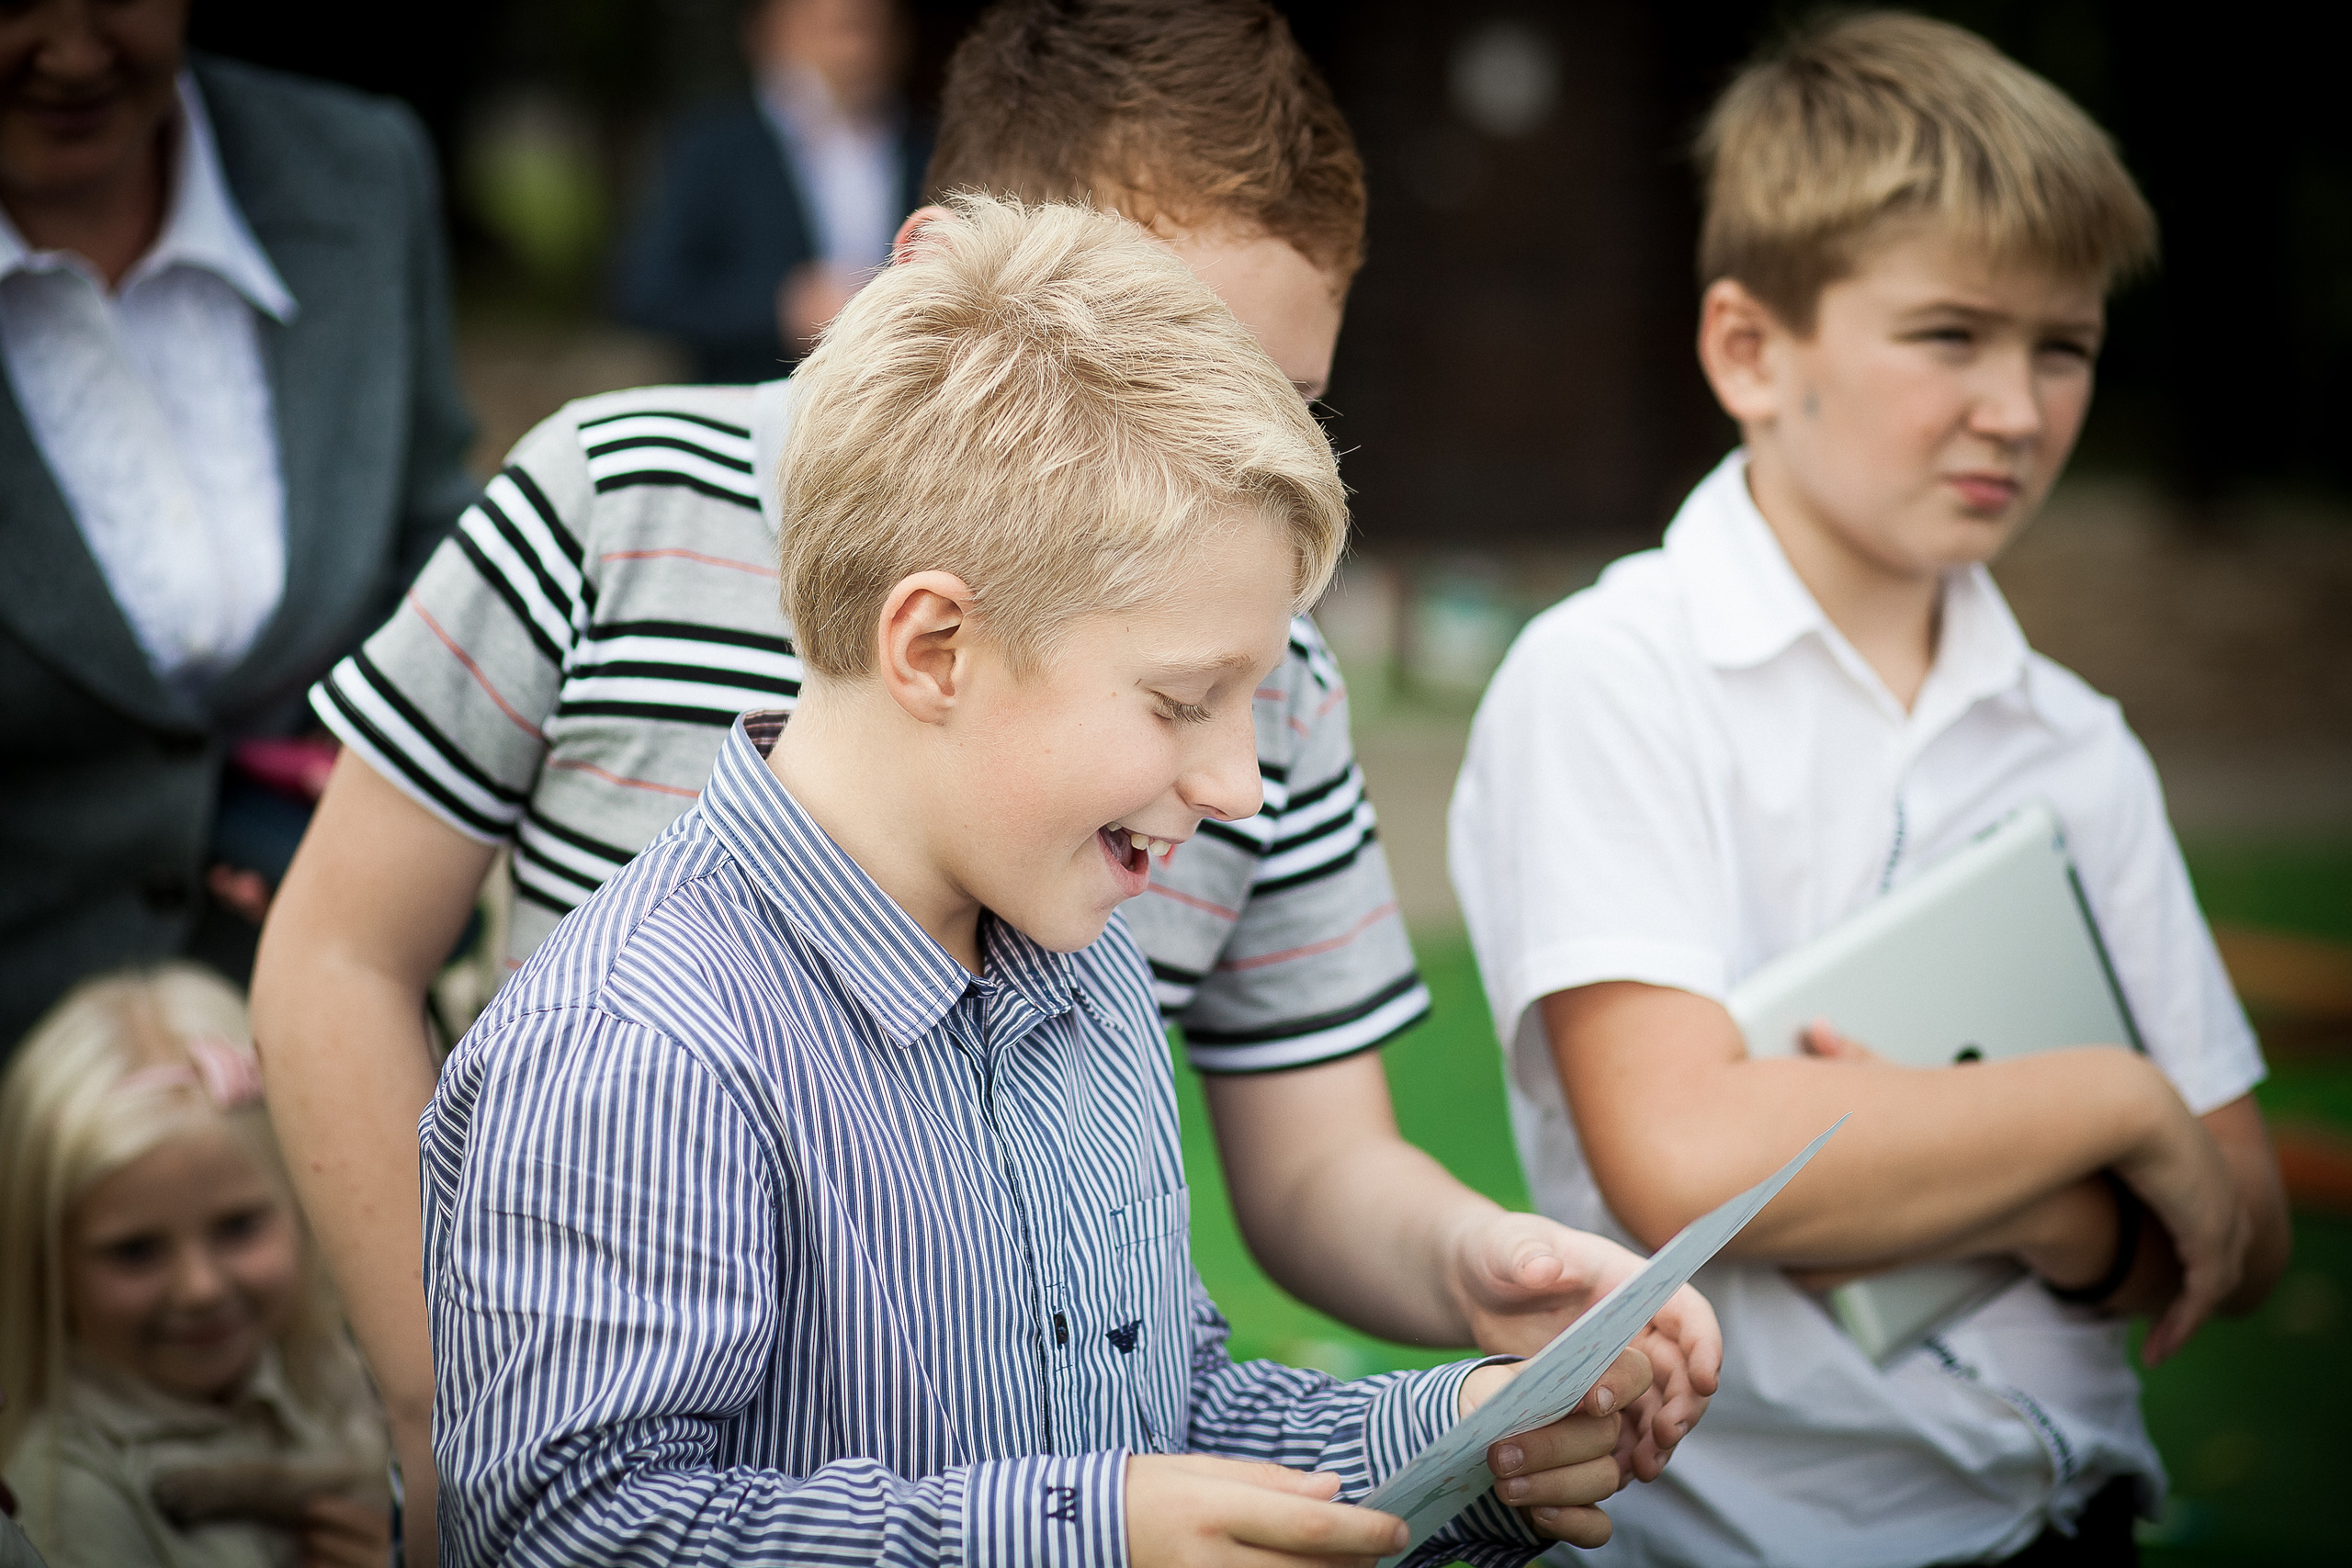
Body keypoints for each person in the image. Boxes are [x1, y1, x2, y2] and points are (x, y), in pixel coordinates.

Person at [254, 5, 1720, 1558]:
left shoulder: (1089, 959)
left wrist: (1467, 1435)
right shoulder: (643, 1032)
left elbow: (1151, 1404)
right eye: (1183, 701)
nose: (1242, 773)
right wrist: (445, 1405)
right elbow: (582, 1517)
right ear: (933, 645)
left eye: (1284, 398)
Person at [1448, 14, 2292, 1566]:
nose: (2017, 408)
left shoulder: (2077, 740)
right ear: (1750, 351)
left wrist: (2034, 1205)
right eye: (1951, 335)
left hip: (2072, 1523)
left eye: (2064, 347)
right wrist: (2109, 1106)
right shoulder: (1616, 675)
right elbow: (1688, 1152)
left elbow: (2236, 1223)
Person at [0, 0, 477, 1056]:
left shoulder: (358, 166)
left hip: (331, 1019)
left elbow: (431, 538)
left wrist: (378, 775)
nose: (72, 54)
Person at [0, 964, 391, 1568]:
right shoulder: (66, 1493)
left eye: (238, 1227)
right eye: (135, 1251)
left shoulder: (332, 1373)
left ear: (301, 1205)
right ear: (46, 1264)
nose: (200, 1288)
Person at [612, 0, 928, 381]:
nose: (857, 51)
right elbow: (647, 292)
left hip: (898, 396)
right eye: (838, 29)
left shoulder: (928, 146)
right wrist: (781, 309)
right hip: (756, 394)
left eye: (875, 29)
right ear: (773, 32)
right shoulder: (712, 146)